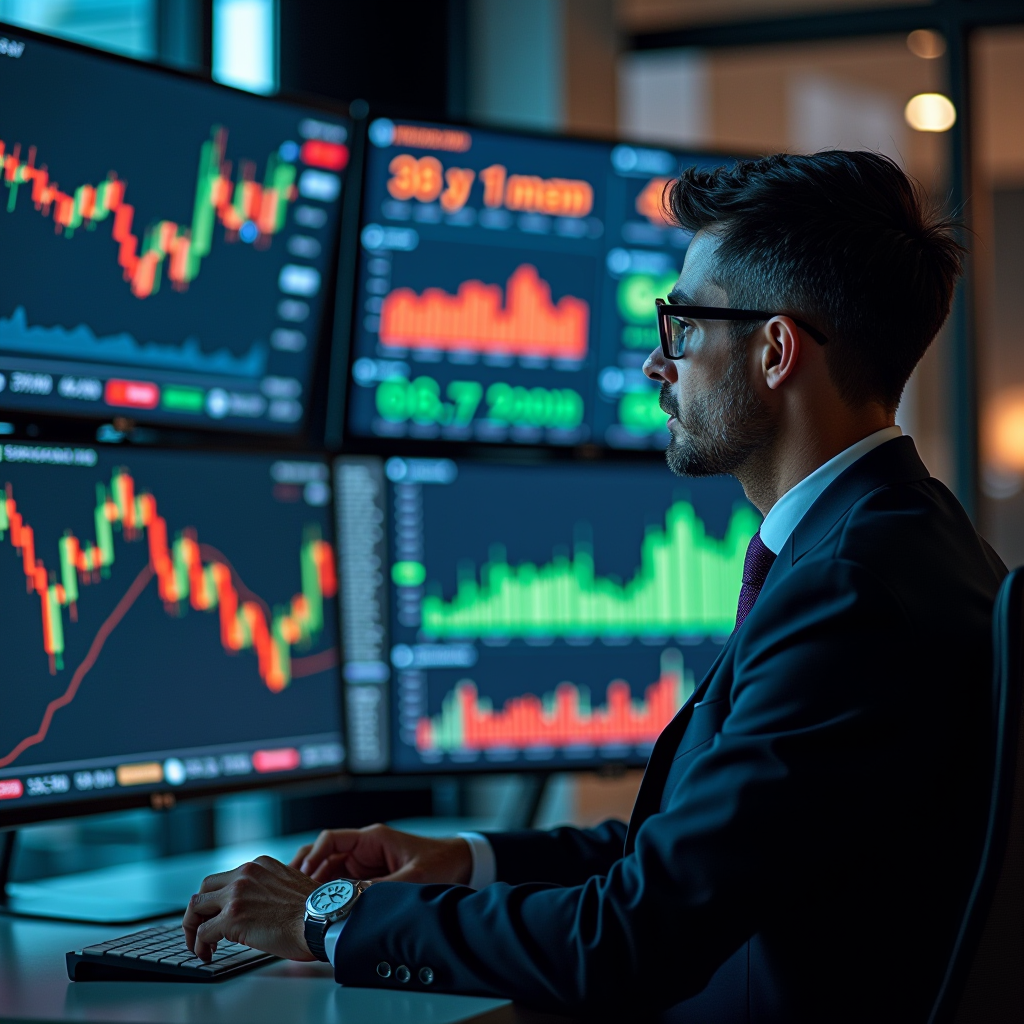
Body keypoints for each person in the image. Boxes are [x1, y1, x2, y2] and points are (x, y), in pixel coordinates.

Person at [182, 152, 1006, 1022]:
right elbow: (707, 850)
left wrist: (326, 916)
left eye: (682, 327)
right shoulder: (898, 539)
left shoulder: (851, 589)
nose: (659, 365)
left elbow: (631, 937)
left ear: (775, 351)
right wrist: (468, 859)